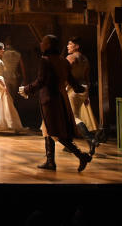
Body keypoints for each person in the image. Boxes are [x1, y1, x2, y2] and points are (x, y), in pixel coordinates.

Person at [19, 35, 92, 171]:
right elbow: (71, 79)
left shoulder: (45, 60)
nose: (41, 44)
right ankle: (50, 161)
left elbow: (41, 81)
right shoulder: (63, 61)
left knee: (55, 132)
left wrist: (27, 89)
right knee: (48, 130)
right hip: (61, 98)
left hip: (50, 100)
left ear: (48, 45)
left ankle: (81, 155)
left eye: (43, 42)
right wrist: (80, 88)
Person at [66, 37, 99, 154]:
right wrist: (87, 95)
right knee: (71, 116)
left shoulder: (71, 58)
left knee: (74, 117)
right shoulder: (85, 59)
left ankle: (90, 139)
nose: (68, 46)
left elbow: (65, 73)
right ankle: (69, 143)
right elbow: (87, 78)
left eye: (70, 44)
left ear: (77, 46)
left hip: (73, 89)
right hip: (83, 89)